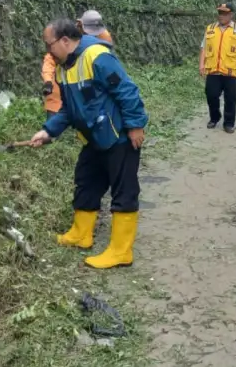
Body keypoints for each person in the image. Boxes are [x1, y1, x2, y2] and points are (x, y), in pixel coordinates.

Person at [26, 19, 148, 270]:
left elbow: (127, 91)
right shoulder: (63, 67)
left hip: (118, 136)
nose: (47, 51)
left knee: (123, 191)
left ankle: (120, 251)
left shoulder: (97, 57)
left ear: (65, 41)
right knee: (86, 181)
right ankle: (81, 234)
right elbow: (69, 109)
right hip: (93, 137)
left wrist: (135, 126)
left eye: (49, 45)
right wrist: (48, 132)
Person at [42, 10, 114, 120]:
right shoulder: (68, 36)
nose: (90, 36)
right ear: (79, 24)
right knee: (55, 101)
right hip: (63, 78)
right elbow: (49, 60)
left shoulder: (103, 37)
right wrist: (48, 81)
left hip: (88, 78)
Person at [200, 3, 236, 134]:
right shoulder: (210, 29)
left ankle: (229, 123)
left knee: (230, 98)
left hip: (230, 70)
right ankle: (215, 117)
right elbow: (204, 47)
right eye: (220, 13)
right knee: (211, 95)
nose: (221, 16)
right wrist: (201, 64)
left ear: (230, 15)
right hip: (213, 70)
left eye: (224, 13)